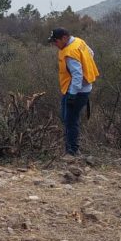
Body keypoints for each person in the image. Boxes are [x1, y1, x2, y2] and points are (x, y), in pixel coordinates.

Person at [48, 28, 99, 157]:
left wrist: (72, 94)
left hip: (76, 91)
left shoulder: (70, 52)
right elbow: (91, 53)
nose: (54, 44)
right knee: (67, 118)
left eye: (56, 41)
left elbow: (77, 75)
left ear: (64, 38)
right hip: (80, 89)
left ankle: (72, 152)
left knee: (70, 120)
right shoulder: (78, 41)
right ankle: (71, 149)